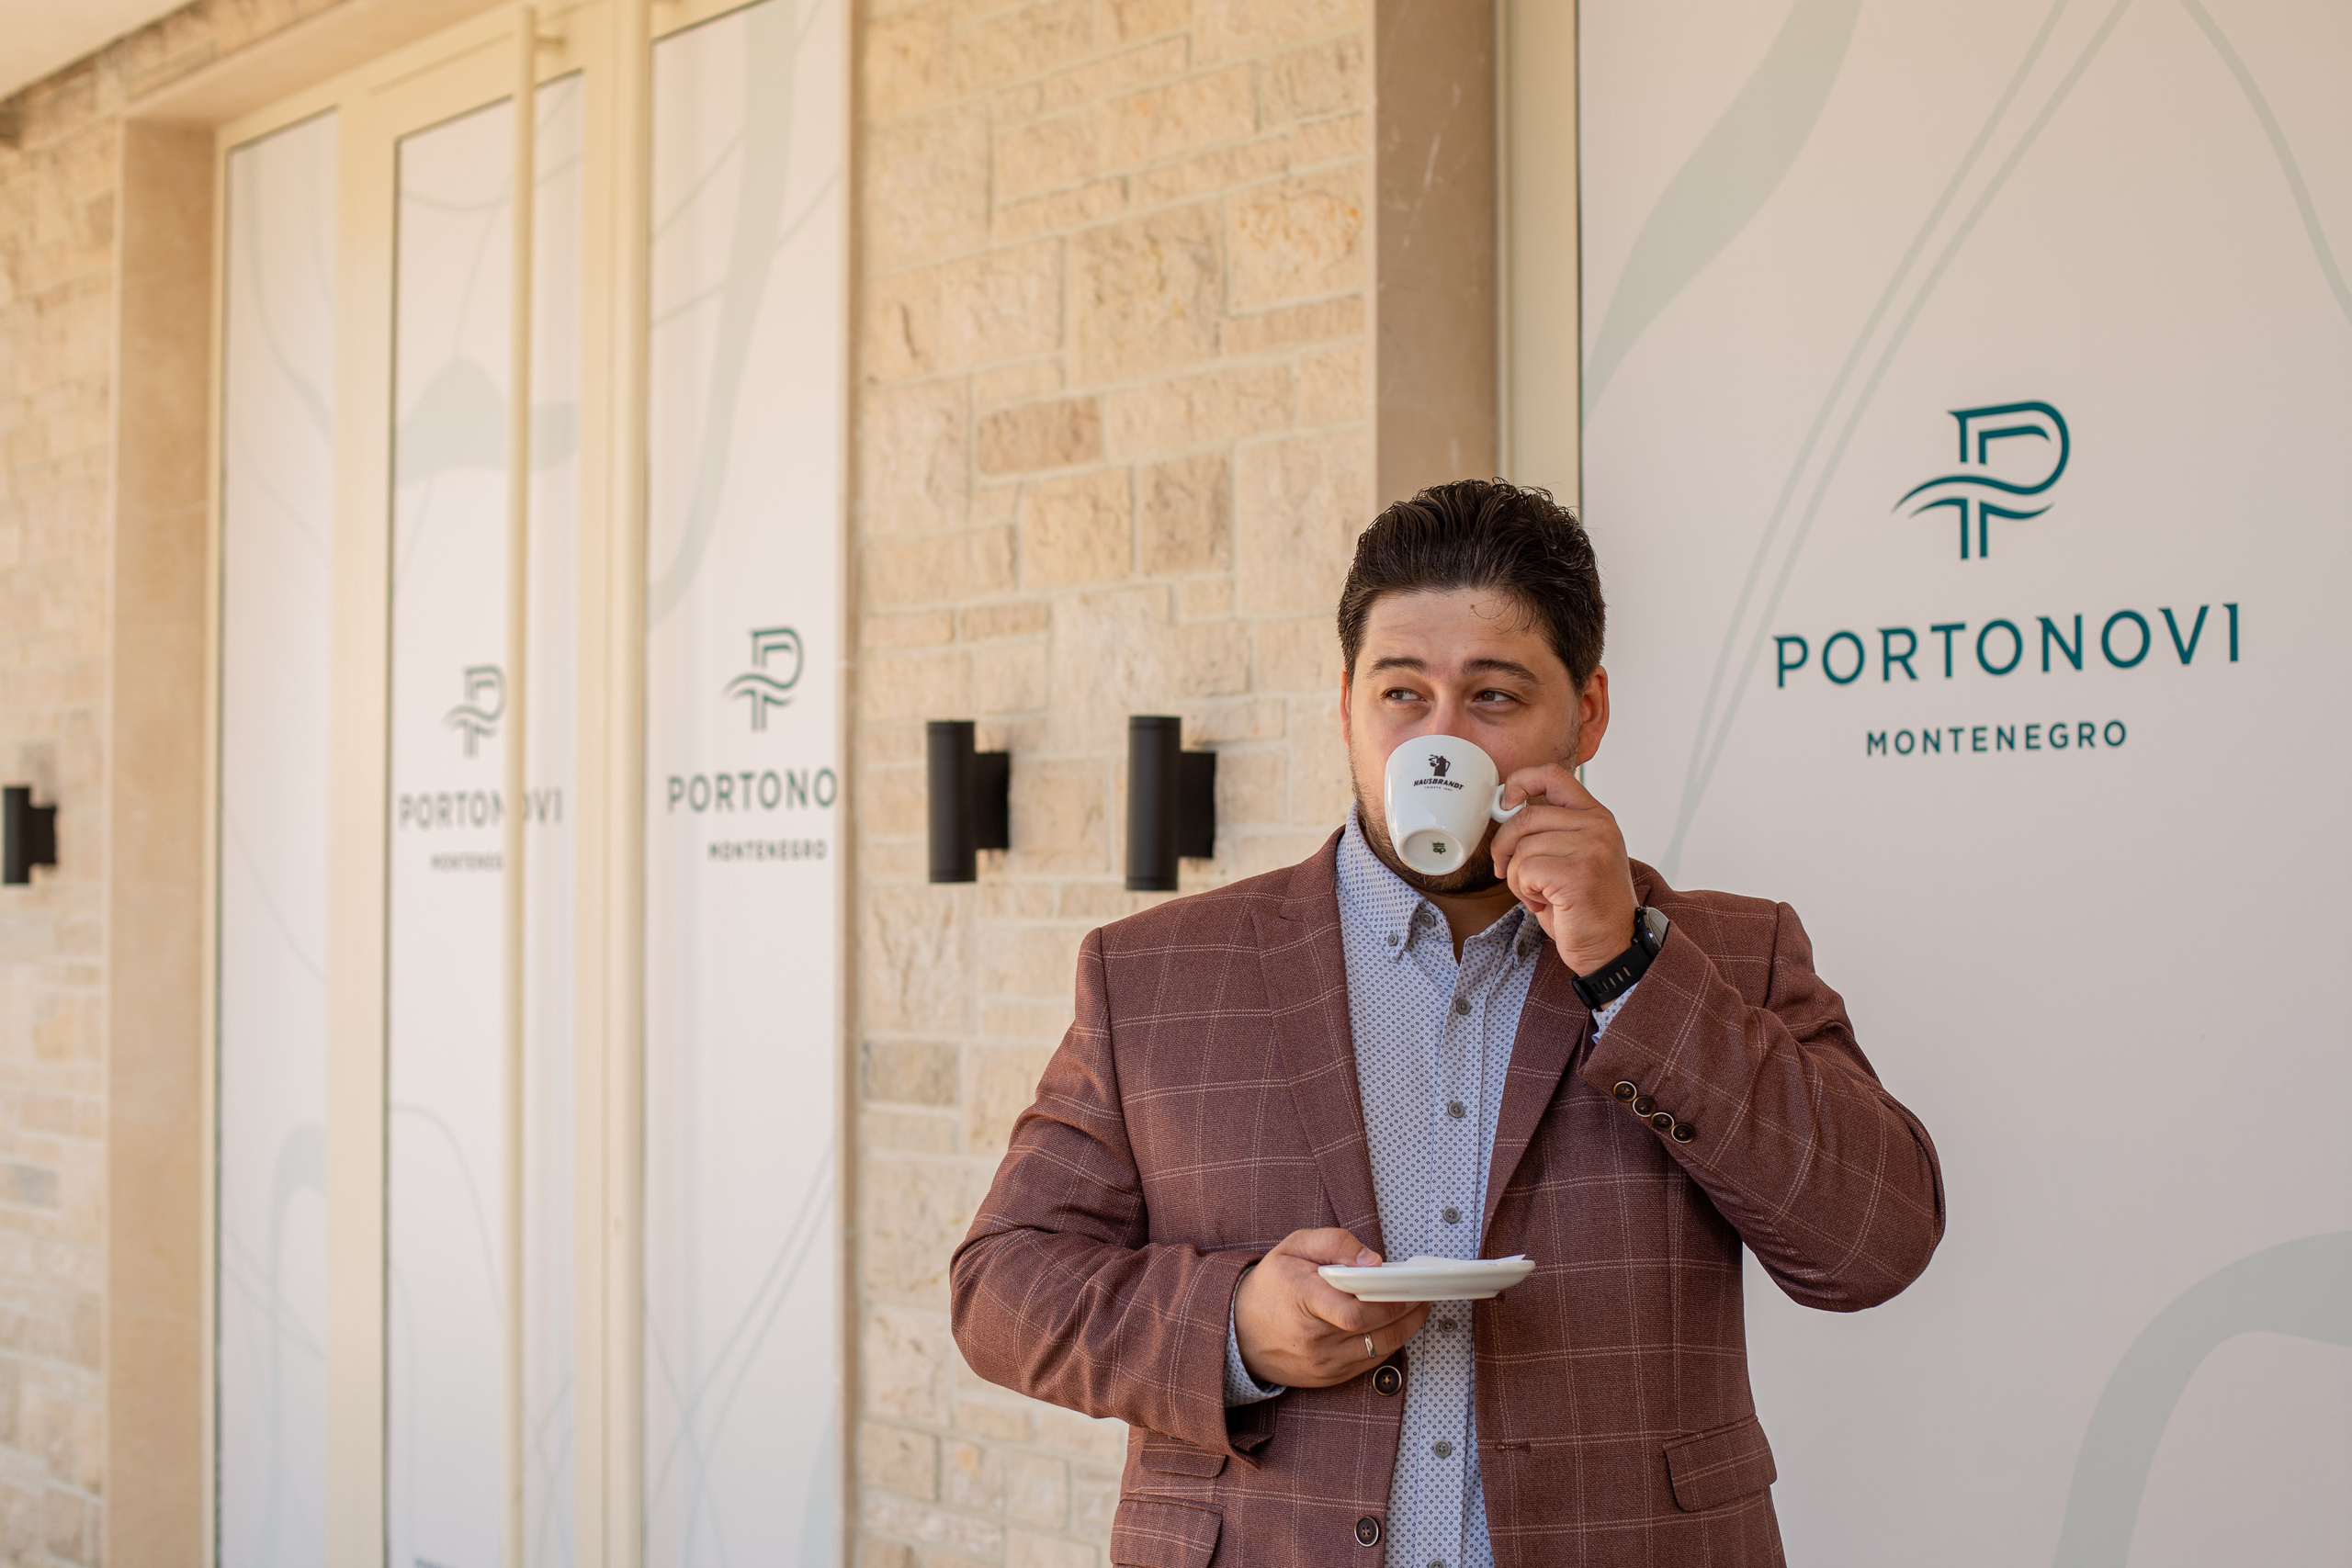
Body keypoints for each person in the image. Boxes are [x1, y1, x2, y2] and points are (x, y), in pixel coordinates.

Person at [950, 479, 1944, 1566]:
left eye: (1494, 698)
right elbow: (1001, 1287)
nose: (1439, 738)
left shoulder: (1728, 955)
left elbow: (1874, 1246)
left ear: (1588, 713)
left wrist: (1630, 964)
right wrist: (1230, 1324)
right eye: (1400, 695)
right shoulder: (1153, 975)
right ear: (1345, 709)